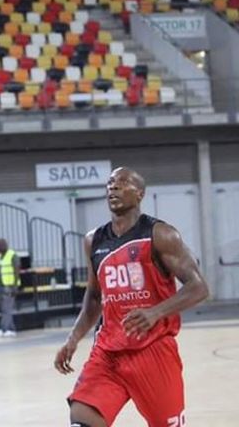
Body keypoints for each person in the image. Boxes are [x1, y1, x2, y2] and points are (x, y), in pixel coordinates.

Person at [54, 168, 209, 427]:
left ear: (140, 194)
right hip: (108, 351)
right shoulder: (93, 240)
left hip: (153, 350)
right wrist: (72, 339)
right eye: (110, 183)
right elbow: (94, 297)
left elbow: (199, 287)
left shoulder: (160, 234)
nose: (113, 187)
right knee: (82, 419)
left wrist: (154, 312)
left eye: (122, 183)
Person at [0, 238, 20, 337]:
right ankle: (11, 329)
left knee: (7, 308)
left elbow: (16, 270)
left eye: (3, 244)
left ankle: (4, 328)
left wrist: (15, 286)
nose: (2, 246)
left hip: (9, 286)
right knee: (4, 309)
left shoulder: (12, 255)